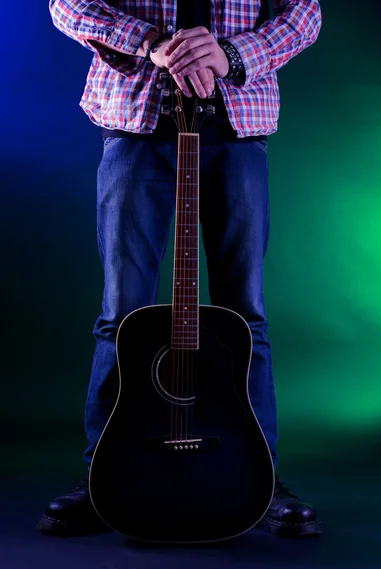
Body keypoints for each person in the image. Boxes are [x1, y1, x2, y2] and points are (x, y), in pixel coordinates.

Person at [38, 0, 323, 538]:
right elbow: (66, 4)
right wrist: (152, 43)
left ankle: (263, 480)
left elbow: (303, 13)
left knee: (245, 314)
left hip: (237, 124)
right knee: (122, 315)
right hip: (135, 121)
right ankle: (104, 473)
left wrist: (230, 54)